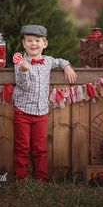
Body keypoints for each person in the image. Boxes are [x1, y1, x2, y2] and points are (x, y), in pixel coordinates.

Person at [12, 24, 77, 181]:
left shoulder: (48, 61)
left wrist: (67, 66)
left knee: (40, 148)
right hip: (22, 111)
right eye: (29, 40)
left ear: (44, 44)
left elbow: (60, 61)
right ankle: (21, 178)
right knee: (22, 147)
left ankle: (41, 178)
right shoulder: (20, 61)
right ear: (24, 43)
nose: (33, 44)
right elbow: (24, 85)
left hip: (41, 112)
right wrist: (24, 70)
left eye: (37, 40)